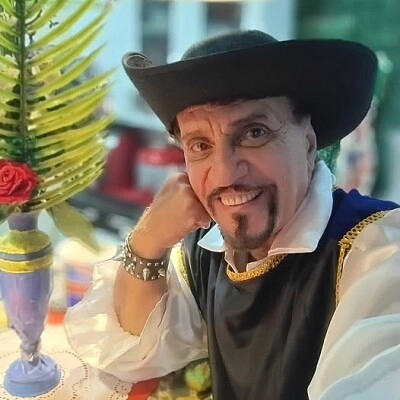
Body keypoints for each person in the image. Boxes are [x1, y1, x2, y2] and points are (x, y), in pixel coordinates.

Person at [65, 30, 400, 400]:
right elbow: (133, 354)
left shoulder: (378, 256)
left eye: (254, 133)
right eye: (200, 145)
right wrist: (148, 240)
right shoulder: (205, 248)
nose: (225, 174)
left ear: (308, 144)